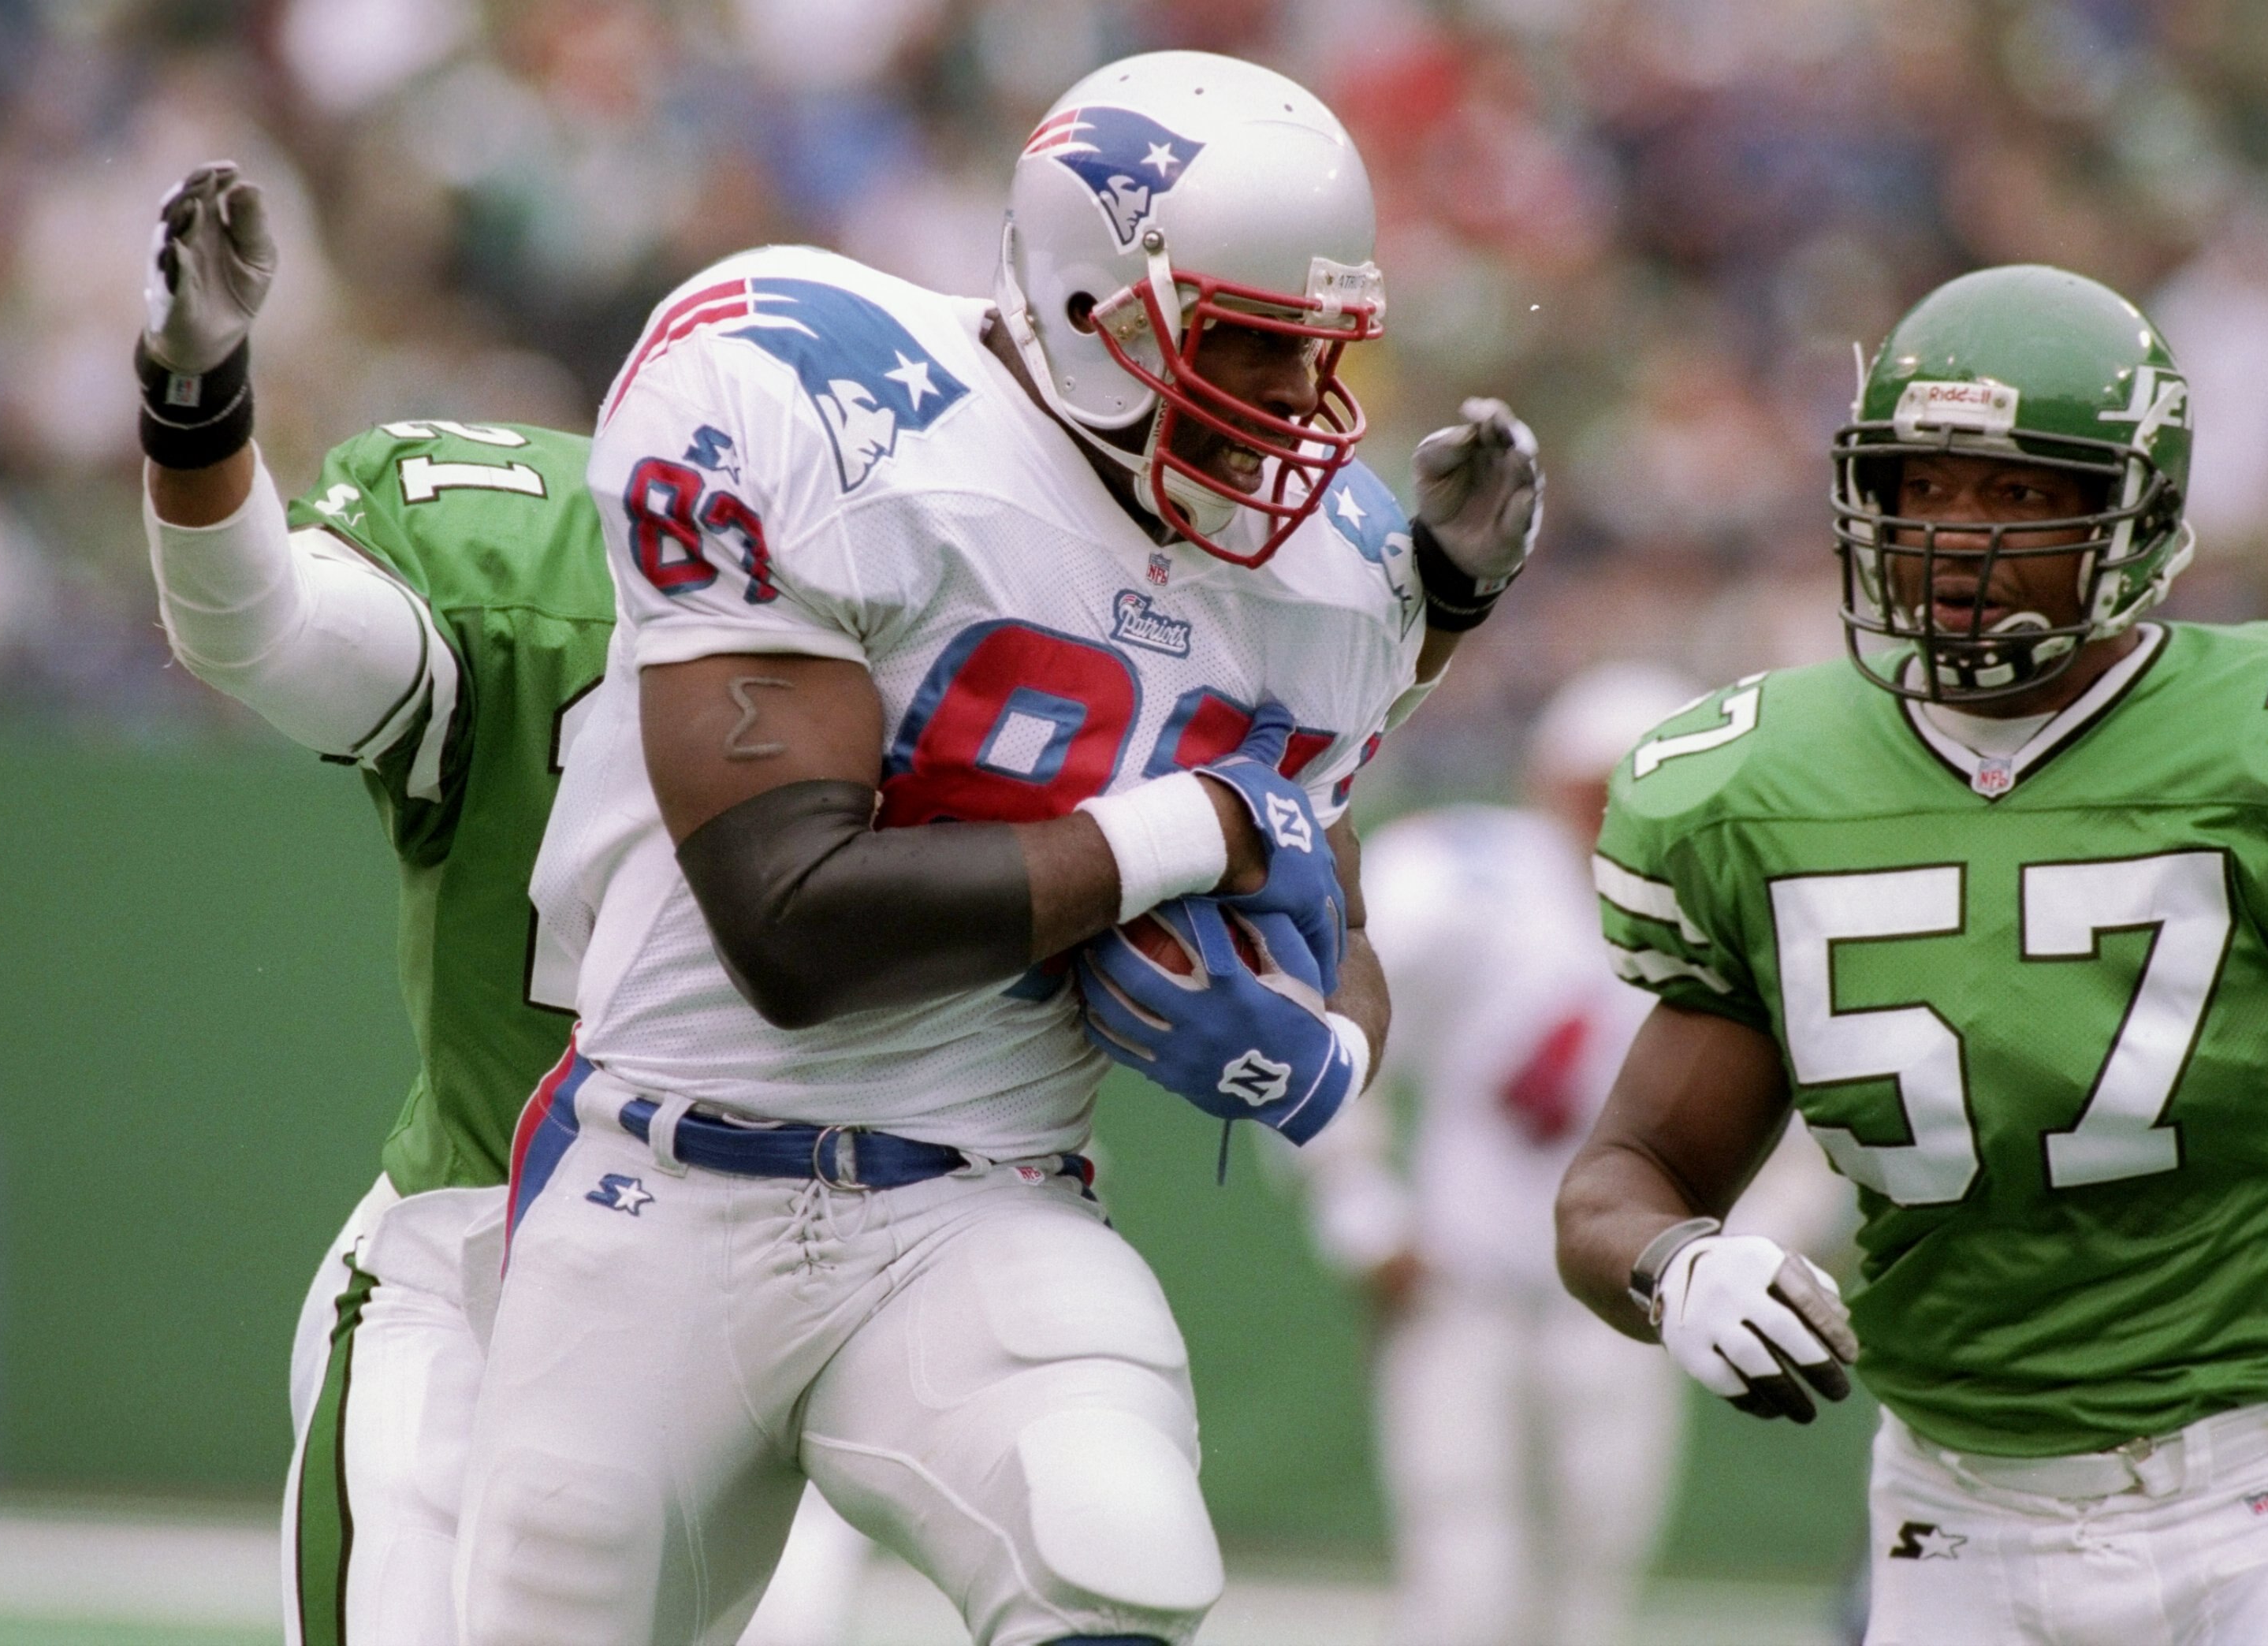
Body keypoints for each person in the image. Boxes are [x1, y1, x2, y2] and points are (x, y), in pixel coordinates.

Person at [460, 49, 1541, 1646]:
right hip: (663, 1178)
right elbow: (793, 929)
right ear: (1095, 295)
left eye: (1315, 358)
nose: (1292, 417)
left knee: (1115, 1554)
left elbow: (1329, 888)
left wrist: (1327, 1051)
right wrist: (1200, 826)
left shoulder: (1335, 571)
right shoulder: (811, 394)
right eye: (1244, 344)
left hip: (984, 1201)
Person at [1555, 264, 2268, 1646]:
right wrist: (1678, 1266)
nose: (1952, 535)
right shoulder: (1756, 786)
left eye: (2016, 493)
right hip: (1955, 1510)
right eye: (1923, 485)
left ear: (2132, 508)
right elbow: (1621, 1175)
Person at [132, 163, 872, 1646]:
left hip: (774, 1300)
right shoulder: (528, 581)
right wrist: (197, 402)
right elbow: (259, 628)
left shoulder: (958, 640)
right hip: (477, 1259)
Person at [1296, 661, 1848, 1646]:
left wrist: (1745, 1256)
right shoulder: (1464, 877)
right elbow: (1330, 1034)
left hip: (1628, 1297)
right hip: (1460, 1283)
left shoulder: (1732, 910)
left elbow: (1815, 1124)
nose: (1608, 814)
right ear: (1546, 780)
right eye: (1594, 785)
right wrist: (1364, 1212)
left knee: (1595, 1569)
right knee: (1461, 1571)